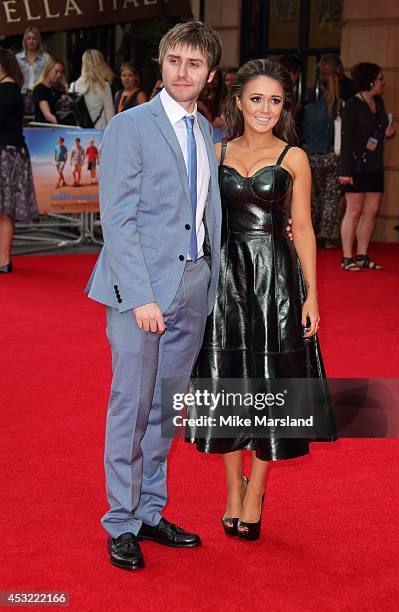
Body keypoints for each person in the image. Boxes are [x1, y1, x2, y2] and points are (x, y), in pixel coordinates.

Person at [85, 21, 223, 571]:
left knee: (167, 409)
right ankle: (119, 521)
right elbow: (116, 219)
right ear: (161, 65)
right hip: (139, 291)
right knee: (132, 407)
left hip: (192, 285)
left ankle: (149, 511)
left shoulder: (207, 131)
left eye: (194, 64)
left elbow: (205, 213)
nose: (183, 72)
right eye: (174, 61)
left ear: (209, 75)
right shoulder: (130, 125)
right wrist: (140, 296)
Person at [188, 59, 336, 540]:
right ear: (237, 102)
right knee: (228, 380)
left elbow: (306, 230)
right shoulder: (215, 150)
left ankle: (256, 494)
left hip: (276, 281)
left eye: (275, 101)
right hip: (226, 278)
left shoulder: (293, 157)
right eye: (256, 99)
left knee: (272, 386)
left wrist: (311, 295)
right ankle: (234, 487)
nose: (266, 109)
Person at [339, 62, 395, 271]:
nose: (383, 83)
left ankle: (362, 255)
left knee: (371, 212)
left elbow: (378, 130)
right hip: (354, 166)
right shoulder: (352, 105)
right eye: (380, 79)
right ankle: (346, 256)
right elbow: (346, 140)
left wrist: (386, 133)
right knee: (354, 211)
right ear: (371, 81)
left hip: (374, 165)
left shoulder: (378, 102)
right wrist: (344, 171)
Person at [0, 49, 37, 273]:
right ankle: (3, 258)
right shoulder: (10, 88)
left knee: (4, 209)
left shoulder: (7, 89)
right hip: (10, 152)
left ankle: (3, 259)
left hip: (7, 154)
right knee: (4, 208)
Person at [303, 72, 342, 247]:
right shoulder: (338, 108)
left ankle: (312, 230)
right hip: (331, 156)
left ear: (322, 87)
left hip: (313, 157)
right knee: (330, 198)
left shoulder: (310, 109)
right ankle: (325, 236)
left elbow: (306, 134)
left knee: (314, 197)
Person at [69, 49, 115, 129]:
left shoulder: (73, 86)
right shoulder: (104, 86)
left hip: (78, 134)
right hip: (99, 133)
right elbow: (110, 116)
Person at [16, 27, 50, 113]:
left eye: (34, 38)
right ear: (25, 40)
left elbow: (49, 78)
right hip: (21, 94)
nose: (31, 41)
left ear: (38, 41)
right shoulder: (17, 58)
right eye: (29, 38)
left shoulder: (46, 58)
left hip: (39, 95)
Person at [32, 57, 66, 124]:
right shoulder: (39, 89)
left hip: (56, 129)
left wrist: (65, 86)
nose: (59, 75)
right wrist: (63, 126)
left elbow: (68, 105)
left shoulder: (56, 90)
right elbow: (48, 115)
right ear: (48, 69)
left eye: (61, 73)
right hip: (45, 130)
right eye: (56, 71)